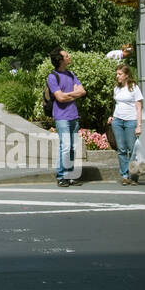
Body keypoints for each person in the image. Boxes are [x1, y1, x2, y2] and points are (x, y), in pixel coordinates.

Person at [47, 48, 85, 187]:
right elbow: (60, 98)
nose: (69, 57)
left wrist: (67, 94)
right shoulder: (52, 77)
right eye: (66, 56)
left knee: (73, 147)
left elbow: (82, 91)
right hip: (61, 116)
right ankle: (61, 176)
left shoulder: (71, 74)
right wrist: (74, 93)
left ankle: (70, 175)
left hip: (73, 115)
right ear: (60, 60)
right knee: (66, 146)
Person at [109, 63, 143, 185]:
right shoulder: (116, 88)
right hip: (117, 121)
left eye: (120, 74)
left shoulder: (134, 87)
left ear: (127, 75)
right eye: (117, 74)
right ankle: (124, 175)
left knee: (132, 149)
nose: (117, 76)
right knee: (121, 150)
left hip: (131, 121)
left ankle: (133, 175)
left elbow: (139, 108)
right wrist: (112, 116)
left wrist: (139, 125)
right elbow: (116, 104)